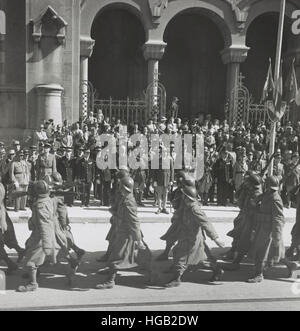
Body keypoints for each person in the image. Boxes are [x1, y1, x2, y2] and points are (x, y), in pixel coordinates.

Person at [96, 177, 152, 289]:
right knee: (137, 256)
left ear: (124, 188)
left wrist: (138, 239)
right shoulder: (125, 198)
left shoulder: (128, 201)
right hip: (124, 231)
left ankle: (110, 281)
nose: (119, 188)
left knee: (117, 256)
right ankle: (153, 276)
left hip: (127, 234)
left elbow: (134, 221)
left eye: (120, 186)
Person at [163, 185, 225, 288]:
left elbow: (206, 223)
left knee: (180, 256)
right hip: (187, 237)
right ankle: (217, 270)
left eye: (184, 196)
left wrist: (215, 239)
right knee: (200, 260)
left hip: (191, 239)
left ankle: (176, 279)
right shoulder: (186, 206)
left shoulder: (194, 209)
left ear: (188, 197)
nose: (182, 197)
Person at [246, 176, 297, 283]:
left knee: (261, 251)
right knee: (275, 251)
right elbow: (259, 199)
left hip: (268, 230)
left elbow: (278, 217)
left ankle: (259, 274)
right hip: (262, 227)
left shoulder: (275, 198)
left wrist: (277, 234)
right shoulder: (266, 195)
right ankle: (290, 265)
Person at [0, 181, 25, 274]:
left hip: (1, 217)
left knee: (5, 241)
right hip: (3, 215)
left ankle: (11, 263)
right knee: (8, 239)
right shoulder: (1, 185)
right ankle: (20, 252)